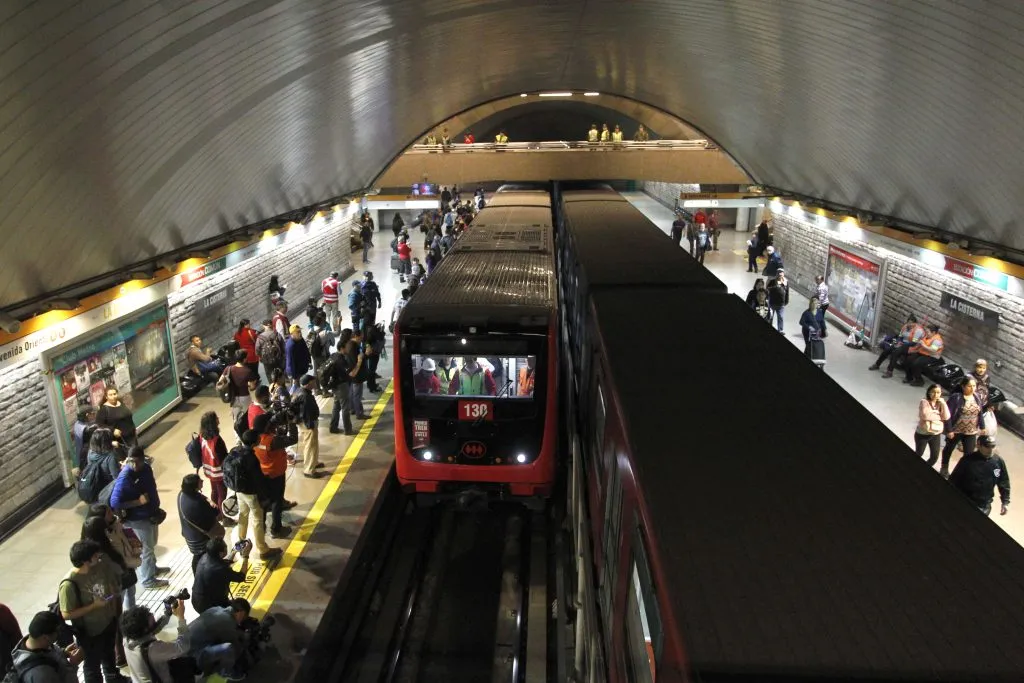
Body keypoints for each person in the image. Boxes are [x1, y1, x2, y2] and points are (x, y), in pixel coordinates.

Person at [59, 540, 126, 683]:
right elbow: (66, 614)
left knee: (109, 657)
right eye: (95, 556)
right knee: (92, 667)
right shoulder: (69, 584)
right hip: (89, 632)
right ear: (85, 561)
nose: (99, 557)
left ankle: (114, 678)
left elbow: (111, 586)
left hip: (108, 621)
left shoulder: (100, 566)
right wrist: (94, 606)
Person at [110, 447, 168, 590]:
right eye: (132, 462)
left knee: (152, 543)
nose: (135, 465)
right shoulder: (125, 476)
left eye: (138, 462)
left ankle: (153, 568)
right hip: (138, 519)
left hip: (150, 514)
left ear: (143, 459)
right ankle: (148, 580)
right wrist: (138, 502)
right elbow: (114, 502)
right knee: (147, 549)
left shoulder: (146, 468)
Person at [229, 431, 282, 561]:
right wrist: (265, 496)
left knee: (243, 515)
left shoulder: (237, 451)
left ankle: (240, 543)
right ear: (254, 443)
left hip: (239, 491)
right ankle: (263, 549)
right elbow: (258, 480)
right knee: (258, 520)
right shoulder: (251, 458)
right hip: (251, 493)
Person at [252, 412, 295, 539]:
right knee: (277, 501)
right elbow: (293, 439)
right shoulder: (271, 440)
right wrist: (291, 422)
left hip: (263, 475)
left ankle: (262, 528)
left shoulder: (254, 439)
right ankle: (276, 529)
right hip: (276, 474)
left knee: (265, 503)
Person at [10, 611, 83, 683]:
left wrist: (63, 653)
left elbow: (49, 653)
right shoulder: (41, 675)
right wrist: (73, 664)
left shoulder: (34, 643)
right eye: (57, 631)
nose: (59, 634)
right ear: (45, 637)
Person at [950, 436, 1010, 517]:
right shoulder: (967, 460)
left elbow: (1004, 482)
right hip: (964, 502)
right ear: (978, 445)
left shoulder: (998, 462)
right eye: (987, 446)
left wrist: (1005, 502)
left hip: (984, 506)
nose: (991, 449)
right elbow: (954, 480)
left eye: (993, 446)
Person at [177, 474, 223, 575]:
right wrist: (214, 507)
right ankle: (201, 575)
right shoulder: (196, 503)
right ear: (194, 486)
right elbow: (213, 515)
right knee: (203, 556)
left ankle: (197, 574)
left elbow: (200, 497)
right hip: (200, 537)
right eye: (200, 481)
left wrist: (208, 500)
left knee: (198, 556)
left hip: (189, 534)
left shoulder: (182, 494)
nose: (202, 481)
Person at [940, 376, 983, 478]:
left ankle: (961, 473)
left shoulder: (977, 397)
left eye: (974, 386)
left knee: (969, 455)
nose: (972, 388)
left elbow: (979, 412)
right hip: (956, 430)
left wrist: (982, 426)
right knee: (949, 449)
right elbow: (947, 415)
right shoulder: (956, 397)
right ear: (963, 386)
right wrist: (949, 430)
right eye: (969, 386)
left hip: (971, 431)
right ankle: (944, 467)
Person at [192, 538, 249, 615]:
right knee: (242, 609)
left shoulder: (204, 557)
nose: (227, 549)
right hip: (209, 607)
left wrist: (234, 551)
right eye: (226, 548)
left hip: (198, 600)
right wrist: (246, 556)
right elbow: (241, 577)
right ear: (221, 553)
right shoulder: (220, 569)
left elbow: (222, 563)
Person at [294, 374, 324, 478]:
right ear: (309, 384)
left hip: (307, 423)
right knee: (310, 446)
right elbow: (306, 413)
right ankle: (309, 470)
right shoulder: (305, 396)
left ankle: (314, 462)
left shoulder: (299, 391)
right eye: (314, 382)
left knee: (313, 444)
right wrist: (310, 425)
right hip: (308, 424)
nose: (315, 383)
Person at [326, 339, 355, 435]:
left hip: (334, 385)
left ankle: (333, 427)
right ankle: (348, 430)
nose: (348, 348)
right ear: (342, 348)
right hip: (342, 386)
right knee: (345, 408)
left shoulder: (333, 355)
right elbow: (347, 374)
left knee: (336, 406)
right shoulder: (341, 360)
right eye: (346, 347)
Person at [346, 336, 370, 419]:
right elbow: (358, 361)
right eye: (360, 338)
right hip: (357, 375)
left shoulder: (348, 345)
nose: (360, 340)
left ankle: (352, 409)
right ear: (356, 336)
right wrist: (365, 355)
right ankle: (359, 413)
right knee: (357, 395)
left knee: (352, 393)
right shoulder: (354, 347)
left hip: (351, 375)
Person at [284, 324, 311, 389]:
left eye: (300, 331)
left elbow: (306, 351)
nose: (300, 333)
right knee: (297, 390)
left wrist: (309, 361)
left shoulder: (301, 339)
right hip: (294, 372)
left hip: (301, 368)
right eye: (298, 332)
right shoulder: (290, 346)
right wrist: (294, 377)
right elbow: (291, 362)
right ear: (292, 334)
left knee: (305, 387)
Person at [71, 408, 97, 474]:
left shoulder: (77, 424)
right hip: (86, 454)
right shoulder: (86, 430)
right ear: (87, 415)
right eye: (93, 414)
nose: (94, 415)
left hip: (80, 453)